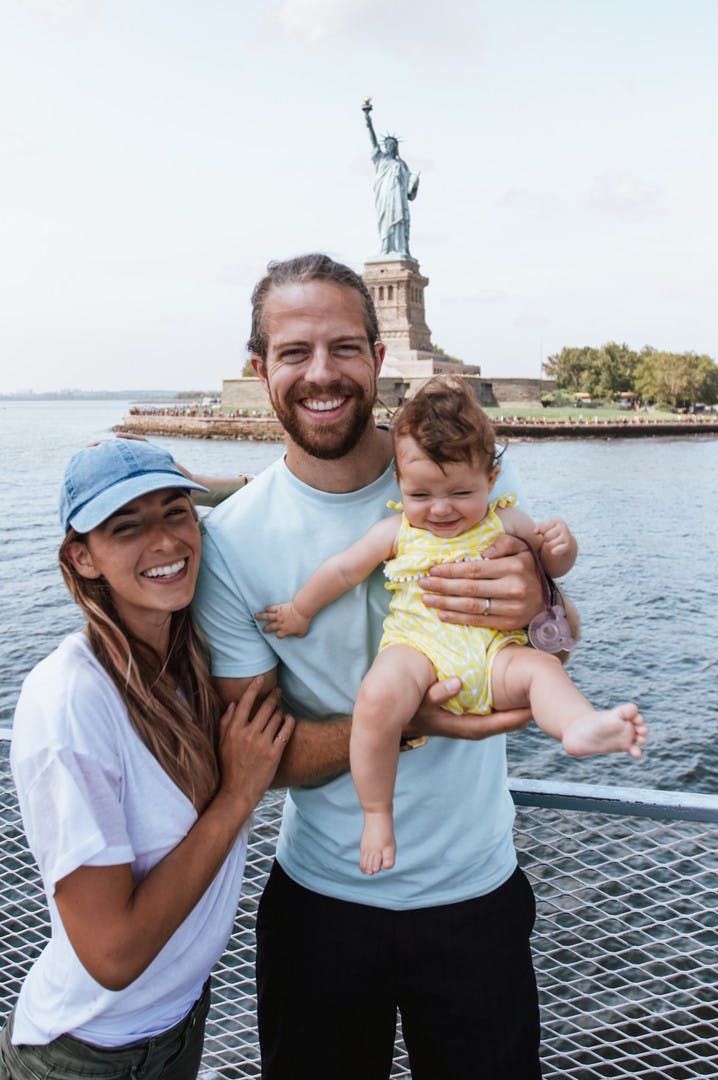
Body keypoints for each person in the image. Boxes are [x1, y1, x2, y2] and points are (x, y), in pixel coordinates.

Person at [191, 252, 574, 1080]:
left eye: (343, 348)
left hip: (479, 898)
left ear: (378, 356)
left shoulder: (453, 484)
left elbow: (559, 640)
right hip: (320, 908)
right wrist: (412, 725)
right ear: (259, 370)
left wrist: (544, 602)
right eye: (294, 353)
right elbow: (261, 754)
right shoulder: (229, 546)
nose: (320, 374)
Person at [259, 376, 647, 875]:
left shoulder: (505, 520)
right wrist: (300, 610)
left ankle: (579, 726)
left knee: (541, 673)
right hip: (417, 650)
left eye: (460, 492)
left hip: (494, 653)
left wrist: (560, 547)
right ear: (399, 482)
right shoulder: (397, 530)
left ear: (492, 478)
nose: (440, 508)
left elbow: (552, 570)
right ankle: (377, 814)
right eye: (421, 493)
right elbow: (342, 570)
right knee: (376, 700)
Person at [0, 438, 293, 1080]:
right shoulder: (70, 700)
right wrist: (236, 798)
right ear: (83, 557)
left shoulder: (183, 659)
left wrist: (196, 483)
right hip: (88, 1054)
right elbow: (112, 954)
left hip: (178, 1023)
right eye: (126, 526)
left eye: (175, 512)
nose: (164, 543)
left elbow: (267, 501)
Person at [363, 99, 419, 258]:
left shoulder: (402, 164)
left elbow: (410, 193)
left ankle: (399, 249)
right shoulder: (380, 158)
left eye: (392, 145)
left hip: (399, 199)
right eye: (387, 145)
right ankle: (386, 249)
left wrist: (415, 183)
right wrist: (368, 119)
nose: (389, 147)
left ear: (396, 147)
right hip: (384, 196)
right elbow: (372, 139)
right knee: (386, 223)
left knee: (399, 222)